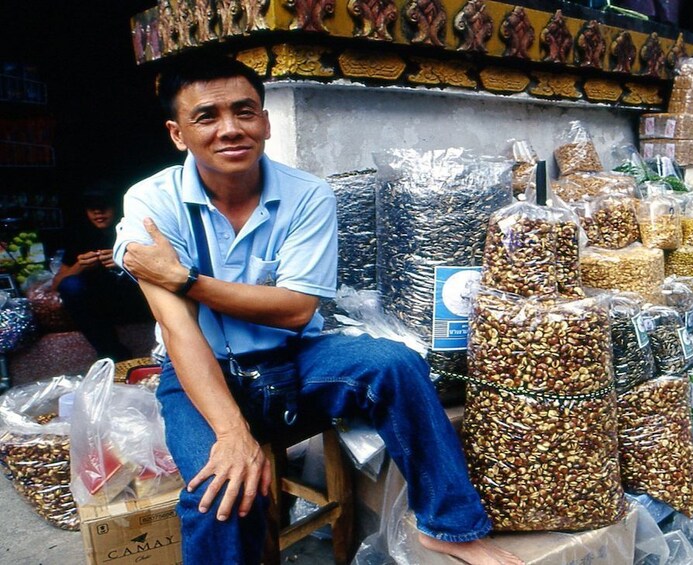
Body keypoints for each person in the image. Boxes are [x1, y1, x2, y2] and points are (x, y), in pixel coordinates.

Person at [114, 54, 521, 565]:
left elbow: (293, 309)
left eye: (245, 111)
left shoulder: (306, 195)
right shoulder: (152, 203)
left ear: (264, 120)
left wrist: (187, 278)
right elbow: (179, 330)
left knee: (396, 366)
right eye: (207, 117)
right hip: (201, 368)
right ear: (178, 134)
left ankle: (451, 527)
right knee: (220, 492)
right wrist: (232, 434)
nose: (230, 129)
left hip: (292, 357)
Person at [52, 185, 150, 360]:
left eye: (104, 207)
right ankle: (112, 352)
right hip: (98, 303)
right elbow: (57, 283)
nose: (98, 213)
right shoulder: (80, 236)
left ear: (115, 208)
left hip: (133, 299)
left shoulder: (134, 230)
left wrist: (124, 261)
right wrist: (79, 266)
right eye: (92, 209)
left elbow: (160, 272)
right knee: (71, 285)